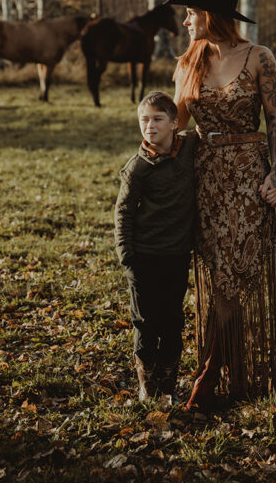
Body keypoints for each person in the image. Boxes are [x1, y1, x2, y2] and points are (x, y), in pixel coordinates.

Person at [142, 0, 276, 411]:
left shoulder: (260, 57)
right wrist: (151, 149)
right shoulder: (188, 63)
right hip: (203, 179)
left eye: (191, 13)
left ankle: (210, 371)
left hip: (248, 179)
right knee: (215, 272)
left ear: (211, 15)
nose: (185, 21)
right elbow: (179, 124)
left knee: (234, 275)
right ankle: (228, 370)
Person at [114, 90, 196, 403]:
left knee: (173, 320)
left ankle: (168, 384)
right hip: (143, 257)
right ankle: (146, 386)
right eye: (144, 120)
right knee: (146, 323)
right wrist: (127, 256)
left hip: (176, 255)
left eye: (158, 119)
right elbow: (122, 211)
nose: (150, 125)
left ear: (175, 124)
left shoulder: (189, 148)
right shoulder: (138, 167)